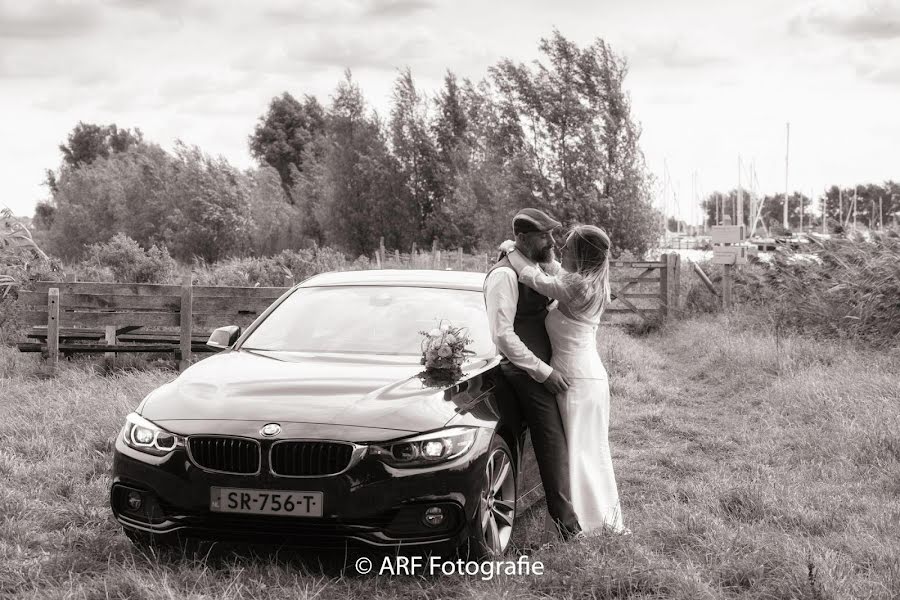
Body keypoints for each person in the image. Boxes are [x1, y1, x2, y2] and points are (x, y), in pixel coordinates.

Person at [499, 224, 626, 535]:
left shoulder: (578, 287)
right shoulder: (586, 282)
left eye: (568, 246)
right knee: (587, 450)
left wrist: (512, 252)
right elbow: (551, 267)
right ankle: (595, 521)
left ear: (581, 255)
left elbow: (533, 277)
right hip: (587, 375)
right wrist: (513, 246)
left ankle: (585, 525)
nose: (560, 250)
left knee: (578, 452)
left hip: (576, 378)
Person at [483, 208, 582, 541]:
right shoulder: (504, 276)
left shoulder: (534, 265)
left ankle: (571, 510)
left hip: (544, 367)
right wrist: (543, 372)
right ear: (523, 238)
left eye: (552, 235)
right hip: (525, 371)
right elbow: (503, 335)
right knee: (551, 442)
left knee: (560, 438)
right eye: (544, 235)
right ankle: (567, 528)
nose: (551, 241)